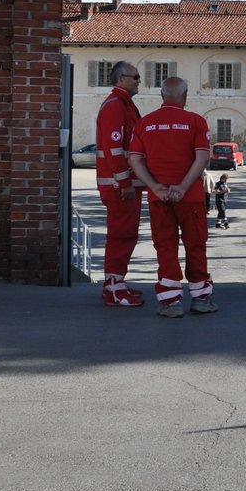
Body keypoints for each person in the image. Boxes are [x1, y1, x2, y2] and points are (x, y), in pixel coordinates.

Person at [126, 77, 217, 318]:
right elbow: (202, 158)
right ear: (185, 96)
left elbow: (135, 159)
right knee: (195, 245)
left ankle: (170, 302)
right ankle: (201, 298)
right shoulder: (196, 122)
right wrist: (183, 186)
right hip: (191, 197)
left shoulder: (145, 123)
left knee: (165, 246)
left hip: (159, 198)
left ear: (162, 96)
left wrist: (155, 187)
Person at [94, 61, 146, 307]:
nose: (139, 80)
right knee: (120, 236)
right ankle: (113, 289)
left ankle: (117, 283)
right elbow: (114, 148)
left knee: (126, 235)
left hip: (125, 185)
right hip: (119, 187)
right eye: (135, 76)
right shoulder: (116, 106)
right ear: (121, 79)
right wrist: (124, 182)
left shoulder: (124, 104)